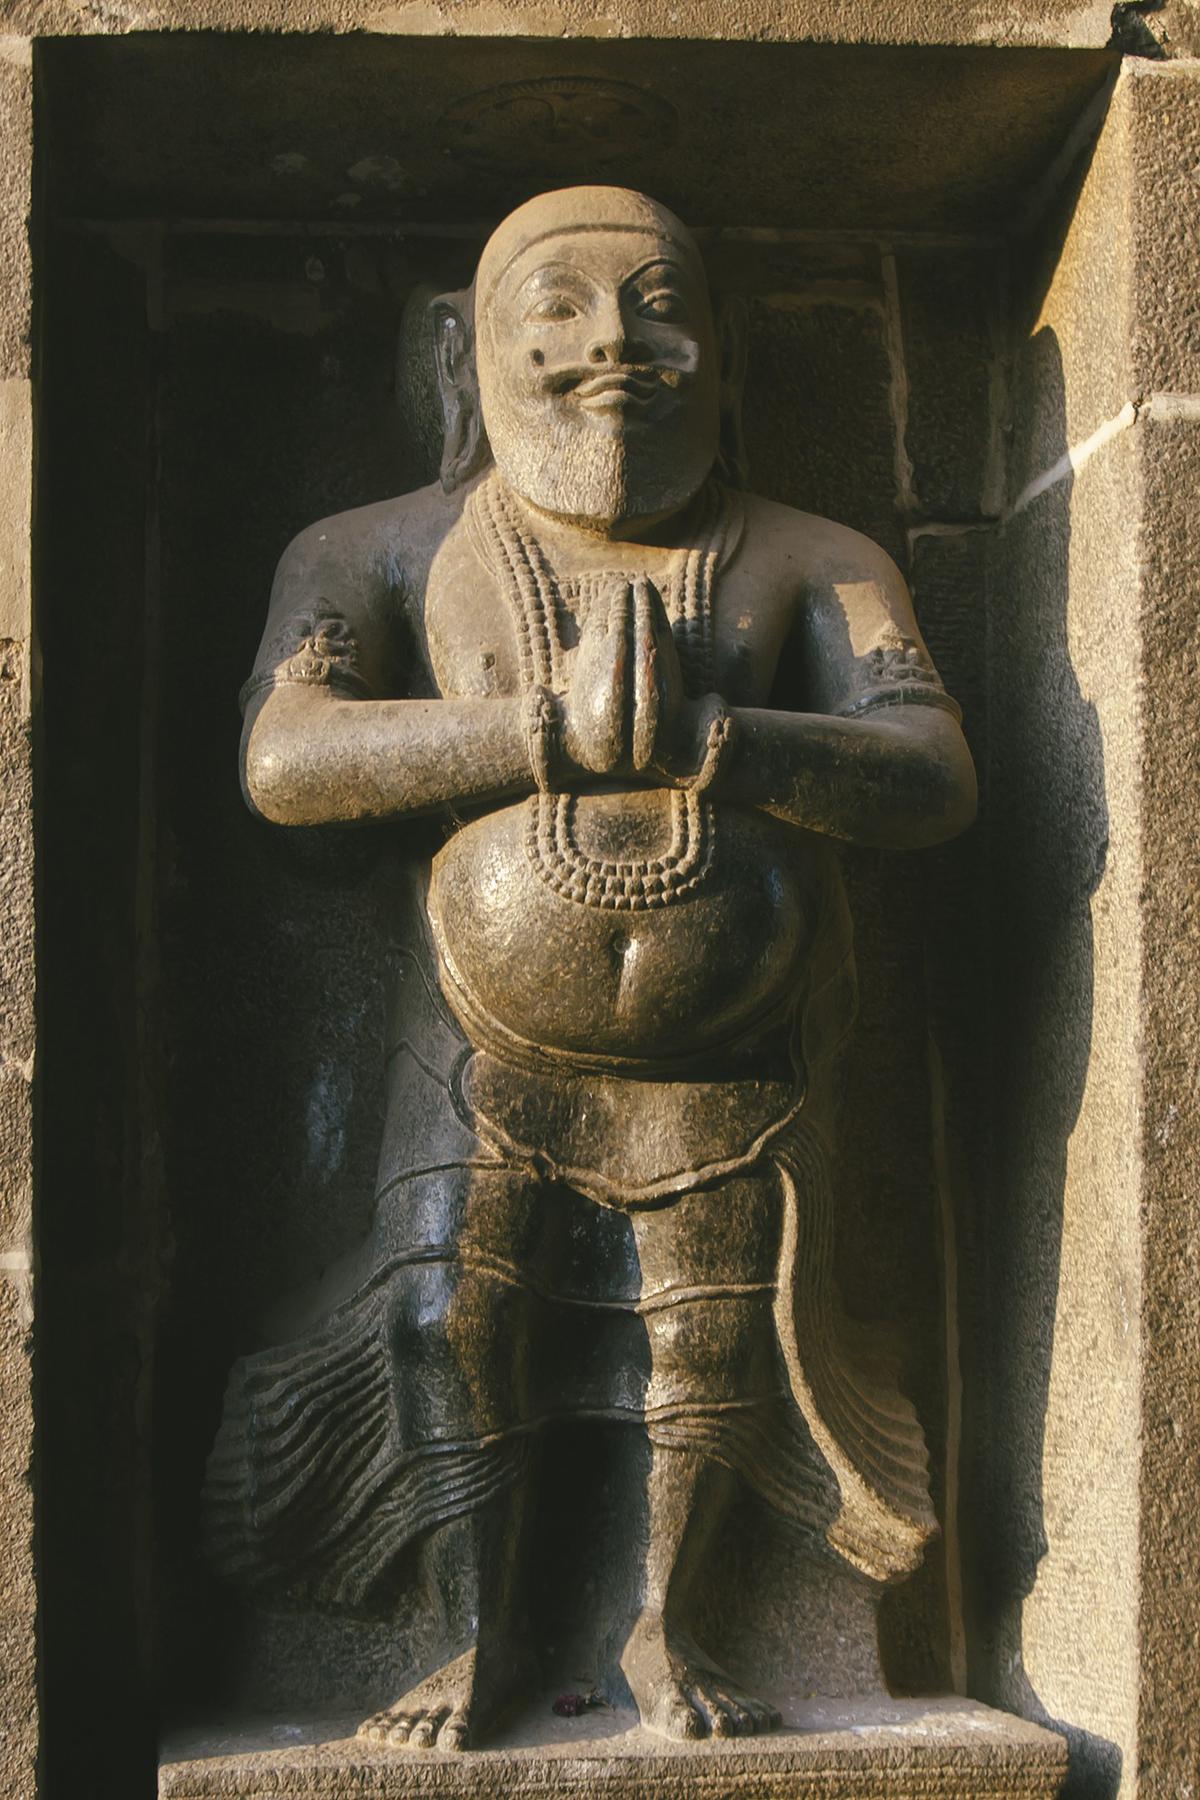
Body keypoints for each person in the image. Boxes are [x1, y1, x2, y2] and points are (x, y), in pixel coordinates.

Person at [205, 185, 977, 1750]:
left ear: (726, 357)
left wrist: (728, 739)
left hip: (732, 1060)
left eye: (660, 303)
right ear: (463, 356)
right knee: (445, 1321)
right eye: (555, 307)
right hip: (483, 1046)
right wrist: (529, 734)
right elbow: (286, 758)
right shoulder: (380, 550)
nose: (613, 342)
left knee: (712, 1342)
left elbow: (934, 770)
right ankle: (467, 1634)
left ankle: (663, 1628)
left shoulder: (809, 560)